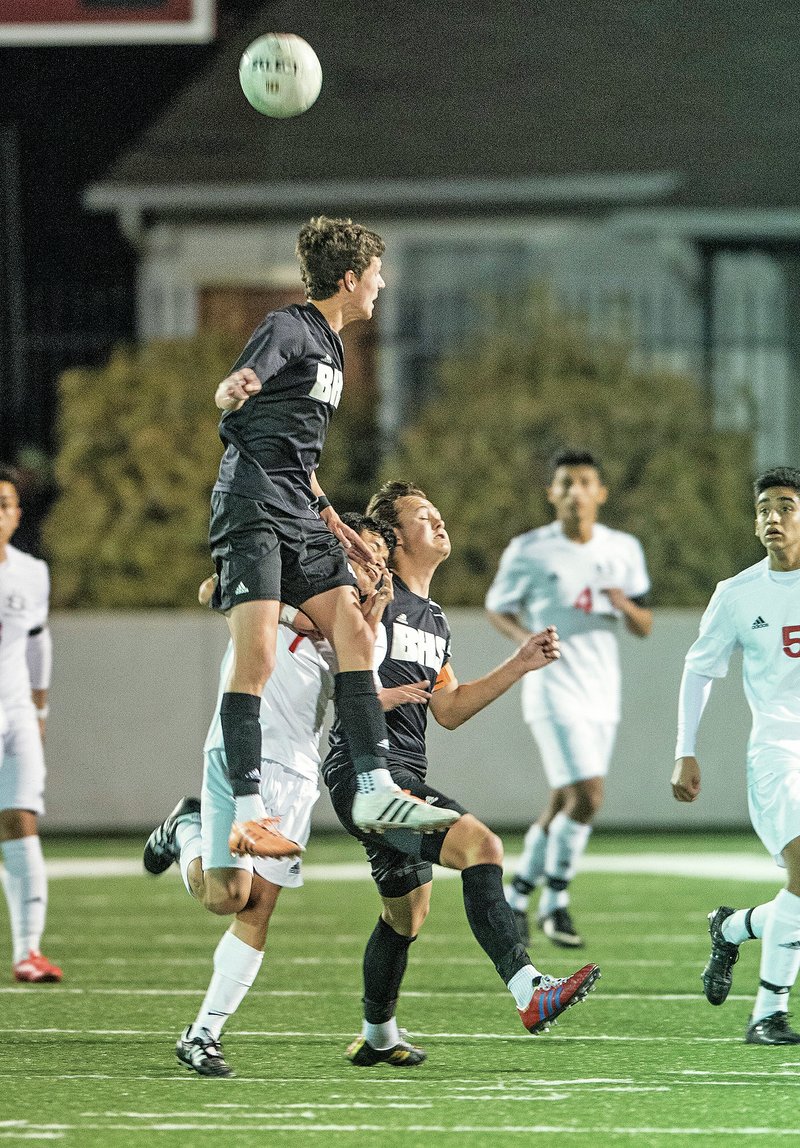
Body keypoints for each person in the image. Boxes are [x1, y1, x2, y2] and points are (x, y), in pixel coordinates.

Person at [323, 481, 600, 1067]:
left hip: (398, 771)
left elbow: (446, 710)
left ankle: (377, 1037)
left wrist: (519, 664)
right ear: (392, 538)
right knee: (481, 845)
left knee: (406, 911)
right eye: (424, 516)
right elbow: (341, 675)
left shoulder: (434, 618)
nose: (439, 522)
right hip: (366, 769)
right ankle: (529, 990)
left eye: (438, 512)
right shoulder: (367, 592)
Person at [208, 216, 457, 856]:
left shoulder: (336, 344)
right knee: (258, 656)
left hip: (297, 505)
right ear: (350, 279)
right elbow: (256, 371)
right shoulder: (291, 325)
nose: (381, 285)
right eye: (375, 274)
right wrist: (241, 384)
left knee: (353, 628)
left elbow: (295, 444)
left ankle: (376, 785)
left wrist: (331, 514)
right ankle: (246, 813)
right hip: (252, 504)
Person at [144, 515, 397, 1076]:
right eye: (364, 553)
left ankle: (202, 1033)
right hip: (241, 758)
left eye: (380, 560)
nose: (372, 567)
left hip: (297, 774)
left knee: (255, 907)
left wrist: (367, 625)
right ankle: (185, 830)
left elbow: (363, 700)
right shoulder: (279, 583)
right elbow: (217, 590)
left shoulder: (360, 633)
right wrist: (275, 606)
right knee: (227, 897)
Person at [485, 448, 652, 949]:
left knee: (563, 802)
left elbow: (644, 625)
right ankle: (555, 901)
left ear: (600, 493)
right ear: (551, 494)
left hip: (603, 690)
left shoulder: (623, 548)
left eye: (584, 482)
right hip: (553, 687)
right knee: (589, 798)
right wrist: (523, 641)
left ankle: (516, 899)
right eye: (565, 483)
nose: (575, 491)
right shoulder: (529, 549)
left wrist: (623, 604)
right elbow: (497, 607)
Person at [672, 465, 800, 1046]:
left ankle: (733, 926)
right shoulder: (737, 593)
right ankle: (767, 1015)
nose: (774, 517)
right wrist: (685, 751)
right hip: (778, 752)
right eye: (765, 508)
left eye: (787, 506)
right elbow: (699, 671)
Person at [0, 465, 61, 983]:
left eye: (5, 504)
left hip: (15, 713)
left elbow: (38, 643)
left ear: (18, 514)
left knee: (20, 819)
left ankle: (28, 950)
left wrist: (39, 710)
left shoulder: (30, 572)